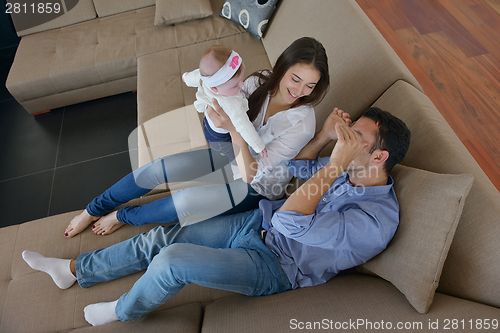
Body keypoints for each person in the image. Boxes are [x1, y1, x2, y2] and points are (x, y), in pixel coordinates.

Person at [22, 107, 411, 326]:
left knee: (173, 261)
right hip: (256, 224)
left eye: (354, 136)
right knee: (166, 236)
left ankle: (123, 310)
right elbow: (295, 168)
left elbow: (290, 224)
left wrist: (334, 163)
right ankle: (74, 270)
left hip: (276, 265)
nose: (345, 137)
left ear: (378, 157)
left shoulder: (375, 222)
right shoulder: (346, 167)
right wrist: (327, 139)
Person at [63, 37, 330, 237]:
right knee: (158, 168)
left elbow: (252, 173)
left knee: (186, 201)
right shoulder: (259, 81)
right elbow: (222, 115)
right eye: (295, 79)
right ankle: (92, 209)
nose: (300, 90)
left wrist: (235, 130)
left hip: (257, 185)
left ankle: (124, 215)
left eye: (310, 85)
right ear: (283, 68)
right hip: (229, 154)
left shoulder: (302, 123)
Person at [183, 45, 268, 162]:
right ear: (215, 88)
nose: (242, 85)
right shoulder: (231, 102)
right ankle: (232, 162)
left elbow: (193, 77)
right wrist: (259, 146)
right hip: (222, 139)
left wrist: (185, 78)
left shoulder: (205, 77)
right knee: (234, 153)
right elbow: (244, 126)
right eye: (235, 85)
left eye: (241, 79)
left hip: (208, 124)